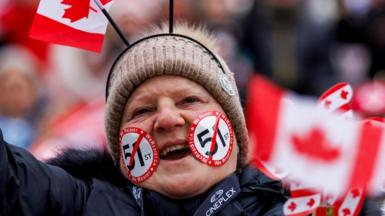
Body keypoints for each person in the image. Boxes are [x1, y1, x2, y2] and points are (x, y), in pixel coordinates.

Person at [0, 23, 288, 215]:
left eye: (188, 100)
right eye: (142, 111)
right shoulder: (78, 204)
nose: (167, 118)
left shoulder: (297, 206)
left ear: (235, 129)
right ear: (120, 151)